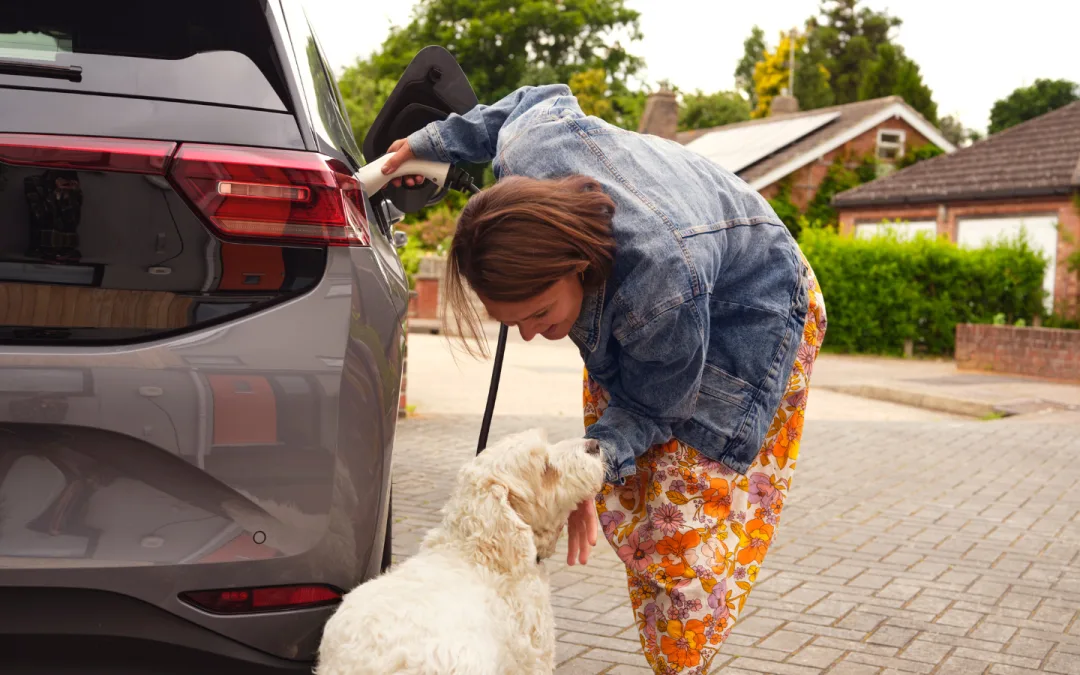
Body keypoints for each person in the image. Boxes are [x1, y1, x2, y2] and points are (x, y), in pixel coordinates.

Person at [381, 84, 827, 675]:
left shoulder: (659, 288)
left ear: (576, 264)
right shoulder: (530, 152)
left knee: (682, 529)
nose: (535, 336)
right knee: (621, 490)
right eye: (514, 323)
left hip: (753, 311)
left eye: (539, 315)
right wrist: (430, 141)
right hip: (671, 292)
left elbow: (651, 406)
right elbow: (528, 102)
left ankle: (680, 665)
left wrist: (586, 470)